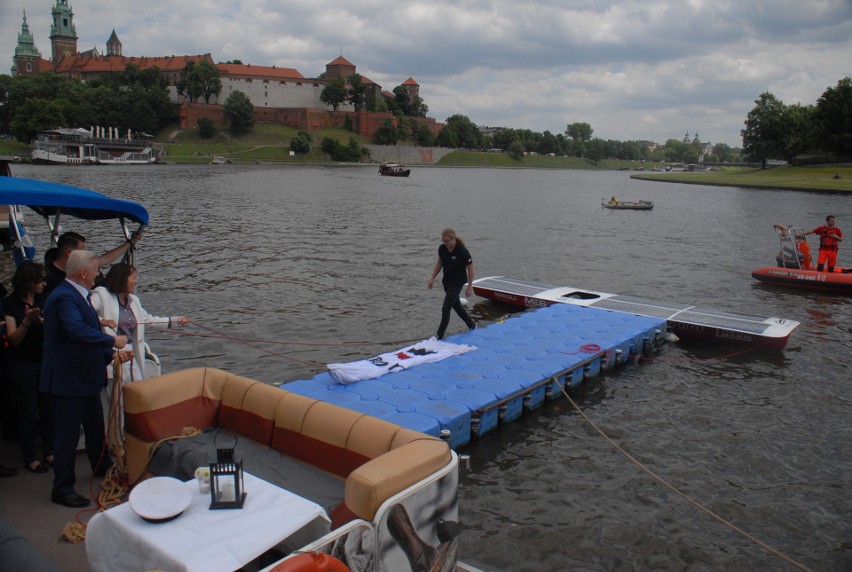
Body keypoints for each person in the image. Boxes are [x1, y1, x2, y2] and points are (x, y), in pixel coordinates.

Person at [39, 250, 131, 508]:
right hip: (68, 380)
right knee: (67, 435)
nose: (98, 275)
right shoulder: (64, 298)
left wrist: (112, 354)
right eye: (95, 271)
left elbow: (87, 332)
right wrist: (112, 340)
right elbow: (75, 331)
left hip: (85, 376)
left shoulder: (78, 295)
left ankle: (101, 465)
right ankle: (62, 487)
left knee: (94, 426)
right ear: (83, 273)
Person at [91, 263, 188, 386]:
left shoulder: (133, 300)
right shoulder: (101, 294)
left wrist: (176, 320)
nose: (135, 282)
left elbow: (148, 320)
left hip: (132, 353)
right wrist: (104, 321)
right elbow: (85, 311)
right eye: (133, 278)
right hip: (112, 354)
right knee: (116, 393)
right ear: (122, 278)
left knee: (137, 389)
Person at [3, 261, 53, 474]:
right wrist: (26, 321)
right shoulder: (9, 304)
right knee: (28, 410)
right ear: (29, 282)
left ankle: (50, 450)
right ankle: (30, 456)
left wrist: (40, 320)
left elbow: (53, 328)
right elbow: (14, 339)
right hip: (22, 363)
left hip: (44, 359)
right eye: (40, 280)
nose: (43, 283)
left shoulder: (44, 299)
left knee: (48, 407)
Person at [44, 230, 143, 295]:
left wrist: (130, 243)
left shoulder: (83, 263)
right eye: (82, 252)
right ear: (69, 253)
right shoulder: (48, 278)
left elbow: (104, 259)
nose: (85, 254)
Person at [427, 228, 476, 340]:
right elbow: (439, 263)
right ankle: (472, 325)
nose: (445, 244)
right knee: (457, 306)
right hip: (447, 282)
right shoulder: (442, 249)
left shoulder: (462, 251)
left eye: (447, 241)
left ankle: (439, 335)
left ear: (453, 239)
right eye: (443, 241)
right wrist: (432, 278)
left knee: (446, 308)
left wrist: (469, 287)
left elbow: (471, 269)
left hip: (457, 282)